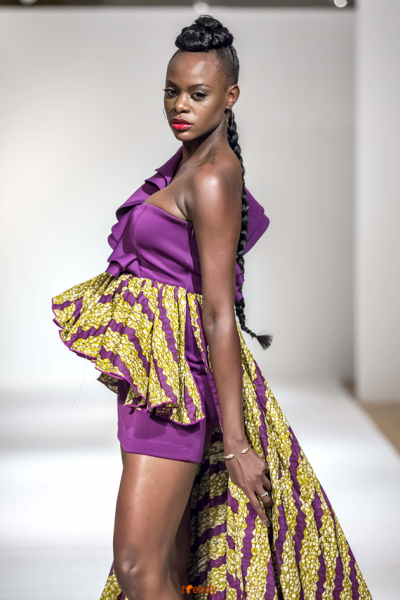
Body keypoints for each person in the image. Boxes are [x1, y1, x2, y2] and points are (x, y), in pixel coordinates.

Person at [52, 15, 372, 600]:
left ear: (230, 97)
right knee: (174, 565)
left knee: (137, 566)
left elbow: (219, 314)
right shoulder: (189, 164)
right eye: (171, 91)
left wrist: (238, 446)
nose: (180, 105)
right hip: (156, 380)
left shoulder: (213, 178)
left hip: (178, 389)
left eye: (197, 94)